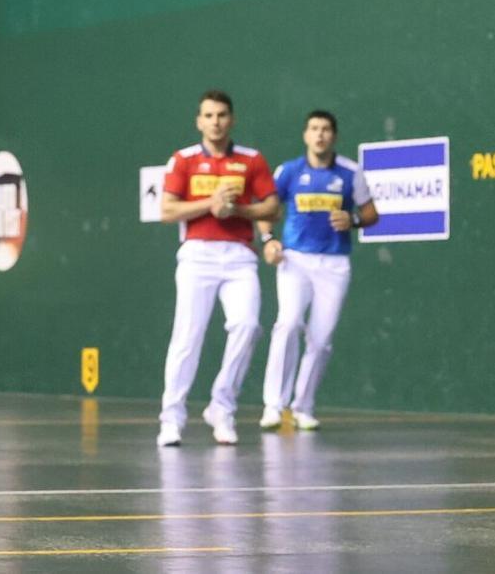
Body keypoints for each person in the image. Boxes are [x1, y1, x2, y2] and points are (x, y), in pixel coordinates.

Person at [157, 90, 279, 447]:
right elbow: (167, 211)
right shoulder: (183, 160)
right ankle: (171, 418)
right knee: (187, 337)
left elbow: (272, 207)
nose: (216, 122)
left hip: (240, 256)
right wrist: (209, 204)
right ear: (199, 121)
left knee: (248, 326)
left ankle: (222, 406)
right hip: (197, 255)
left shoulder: (252, 160)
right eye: (208, 116)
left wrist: (237, 210)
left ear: (232, 119)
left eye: (222, 115)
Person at [258, 110, 378, 432]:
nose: (320, 135)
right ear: (305, 135)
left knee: (321, 340)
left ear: (334, 136)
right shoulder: (289, 171)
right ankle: (273, 405)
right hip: (295, 261)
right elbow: (266, 209)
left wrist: (352, 220)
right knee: (288, 323)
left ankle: (303, 406)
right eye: (314, 129)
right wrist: (268, 239)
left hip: (335, 265)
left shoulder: (351, 172)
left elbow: (370, 214)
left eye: (326, 129)